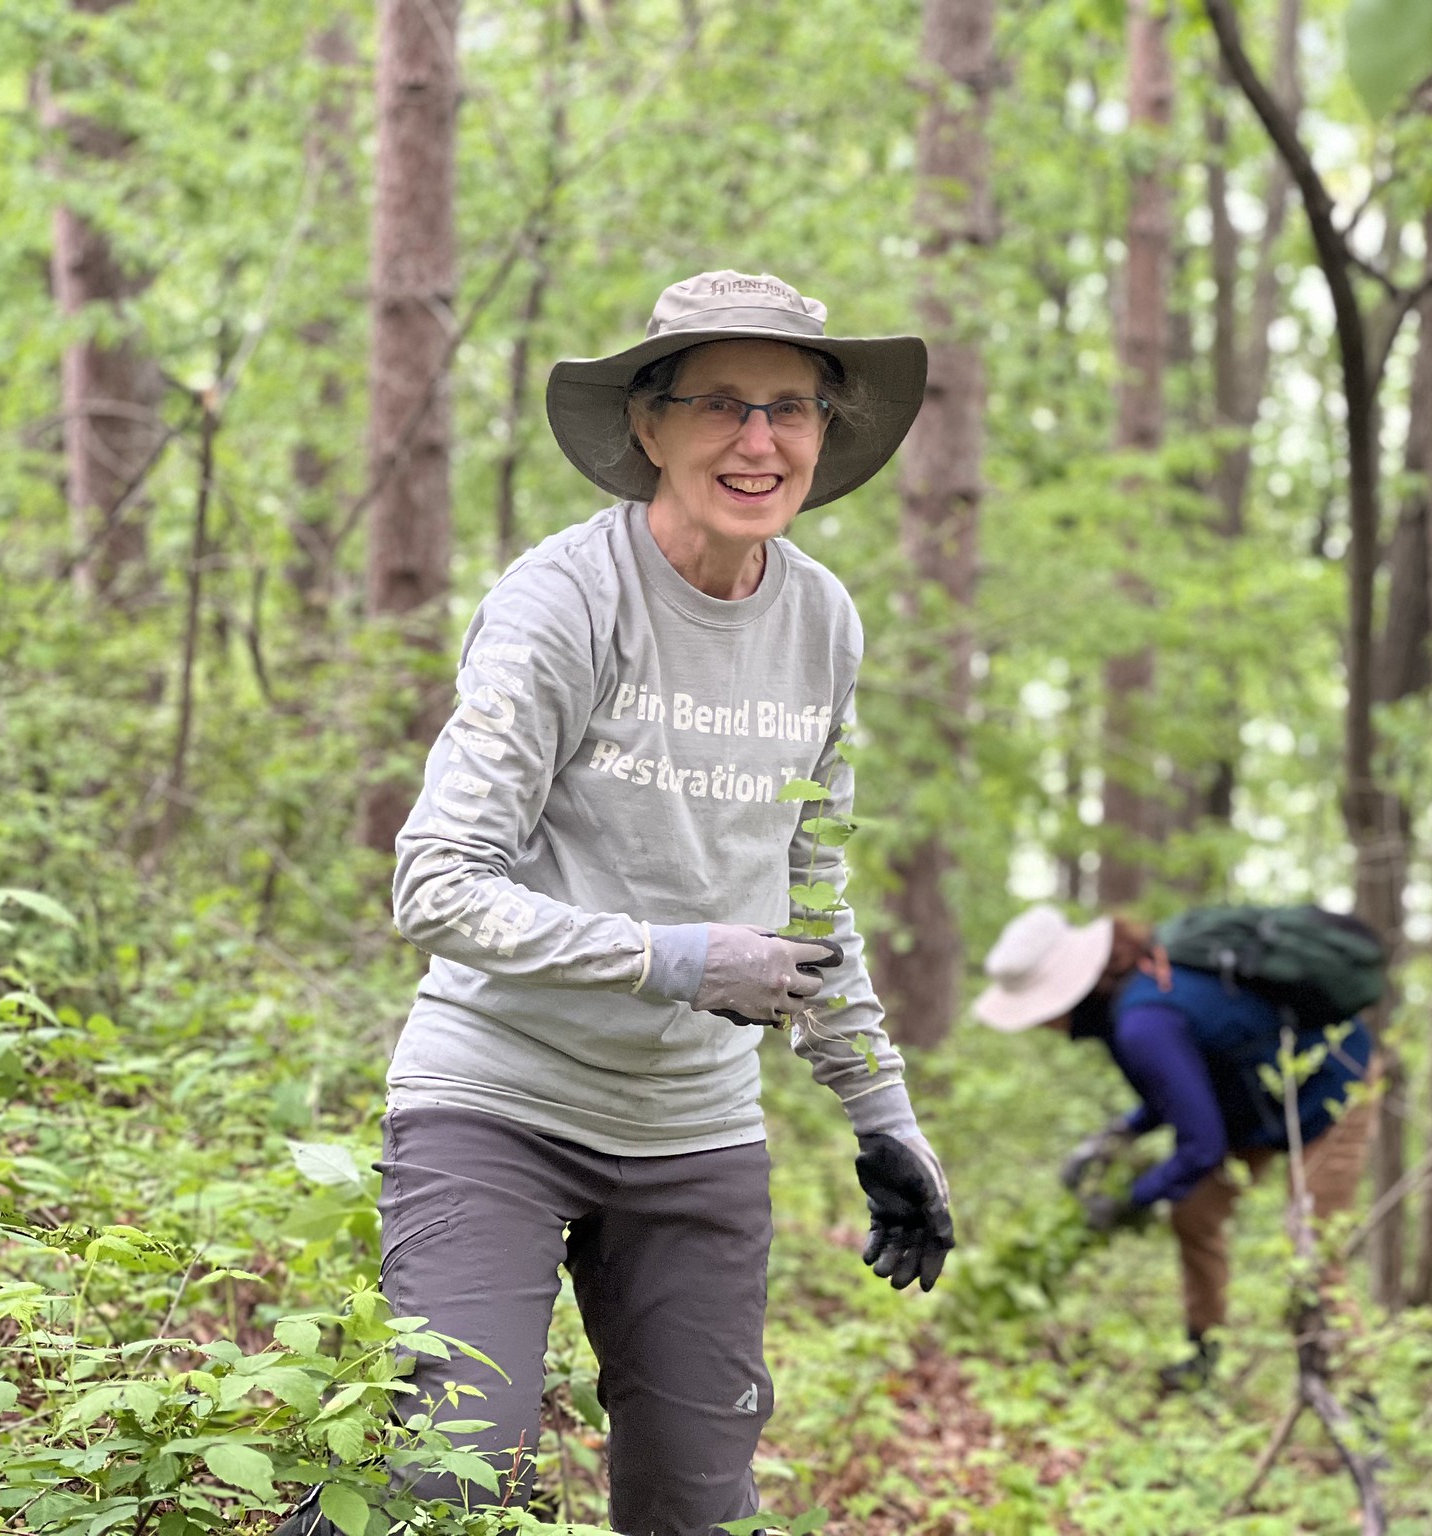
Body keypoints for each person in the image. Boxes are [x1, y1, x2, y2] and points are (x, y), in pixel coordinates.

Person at [281, 272, 954, 1536]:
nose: (758, 442)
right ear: (646, 425)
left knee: (692, 1510)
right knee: (446, 1477)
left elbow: (812, 892)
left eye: (789, 409)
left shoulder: (822, 621)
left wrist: (884, 1117)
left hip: (696, 1132)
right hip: (496, 1100)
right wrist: (676, 958)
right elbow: (435, 885)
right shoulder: (562, 603)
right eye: (719, 404)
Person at [973, 904, 1374, 1391]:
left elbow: (1200, 1147)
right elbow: (1184, 1092)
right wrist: (1118, 1133)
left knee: (1312, 1247)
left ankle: (1357, 1402)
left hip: (1332, 1083)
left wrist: (1128, 1200)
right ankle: (1202, 1358)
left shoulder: (1142, 1022)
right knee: (1194, 1214)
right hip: (1258, 1104)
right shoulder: (1136, 990)